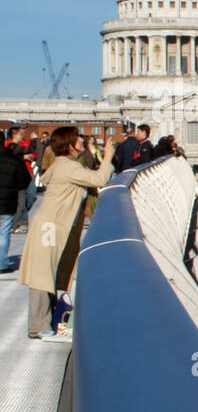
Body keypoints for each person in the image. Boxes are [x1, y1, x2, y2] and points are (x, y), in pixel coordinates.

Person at [18, 126, 116, 339]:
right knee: (43, 275)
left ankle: (44, 323)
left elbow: (87, 173)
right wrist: (108, 157)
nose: (82, 141)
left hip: (48, 224)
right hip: (50, 226)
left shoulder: (62, 165)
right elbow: (99, 179)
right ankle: (39, 326)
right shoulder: (68, 168)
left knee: (47, 272)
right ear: (69, 144)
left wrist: (94, 154)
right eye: (78, 139)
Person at [0, 136, 31, 273]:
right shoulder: (14, 159)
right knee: (3, 232)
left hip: (8, 200)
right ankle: (1, 264)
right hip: (8, 201)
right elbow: (25, 180)